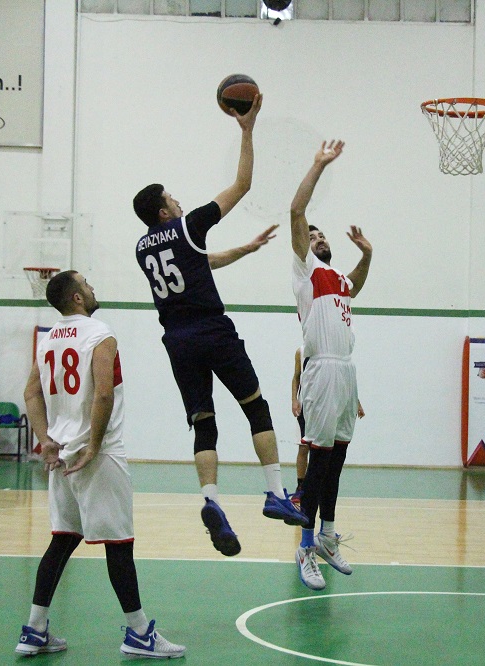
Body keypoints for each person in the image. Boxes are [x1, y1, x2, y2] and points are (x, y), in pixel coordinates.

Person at [132, 91, 306, 558]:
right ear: (164, 211)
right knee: (256, 407)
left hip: (176, 340)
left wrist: (243, 250)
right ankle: (275, 493)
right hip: (212, 331)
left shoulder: (143, 248)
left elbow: (200, 263)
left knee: (203, 422)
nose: (178, 200)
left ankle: (211, 500)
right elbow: (242, 185)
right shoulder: (189, 225)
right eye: (172, 198)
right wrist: (247, 130)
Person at [15, 271, 184, 658]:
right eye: (87, 284)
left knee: (62, 540)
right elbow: (103, 393)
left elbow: (30, 393)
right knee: (119, 544)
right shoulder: (99, 333)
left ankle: (34, 629)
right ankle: (139, 634)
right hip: (98, 453)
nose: (92, 288)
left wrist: (45, 440)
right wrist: (93, 445)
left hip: (62, 454)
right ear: (77, 297)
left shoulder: (46, 341)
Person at [289, 140, 373, 590]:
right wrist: (318, 165)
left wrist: (367, 255)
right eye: (314, 235)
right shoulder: (307, 272)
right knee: (318, 464)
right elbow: (296, 211)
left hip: (345, 372)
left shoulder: (338, 279)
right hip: (321, 370)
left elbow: (355, 284)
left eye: (323, 236)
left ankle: (326, 534)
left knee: (337, 459)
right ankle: (304, 547)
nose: (319, 238)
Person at [290, 346, 364, 506]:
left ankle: (318, 488)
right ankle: (300, 486)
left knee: (323, 449)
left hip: (325, 407)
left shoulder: (333, 353)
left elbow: (344, 382)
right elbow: (296, 377)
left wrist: (355, 402)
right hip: (305, 406)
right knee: (303, 447)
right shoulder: (301, 352)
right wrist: (294, 400)